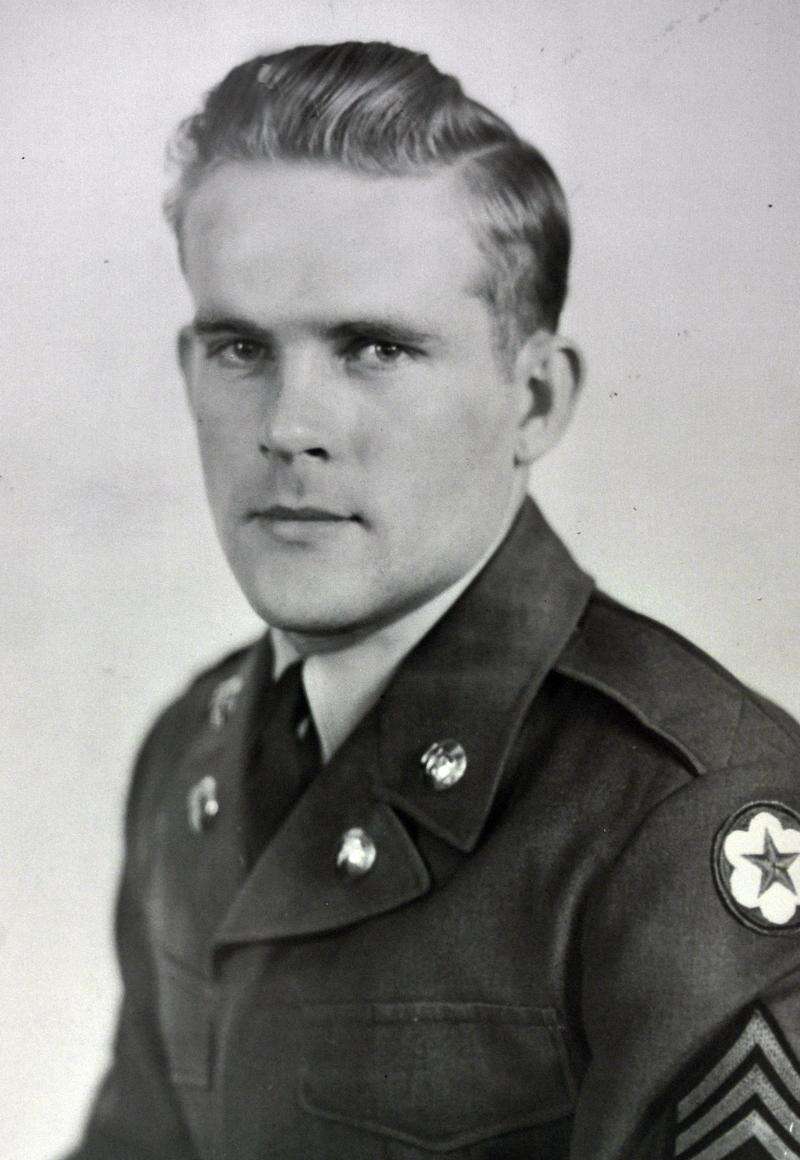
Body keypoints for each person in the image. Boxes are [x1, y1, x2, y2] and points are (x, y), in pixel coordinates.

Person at [64, 40, 800, 1160]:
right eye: (239, 348)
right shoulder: (192, 755)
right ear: (187, 370)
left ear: (534, 400)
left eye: (373, 347)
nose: (288, 426)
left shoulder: (688, 814)